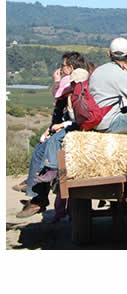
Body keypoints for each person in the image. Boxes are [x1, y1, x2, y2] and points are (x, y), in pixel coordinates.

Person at [15, 53, 89, 218]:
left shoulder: (79, 89)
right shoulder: (69, 90)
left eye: (63, 66)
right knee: (40, 147)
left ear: (70, 68)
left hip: (76, 129)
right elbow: (59, 104)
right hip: (68, 126)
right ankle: (34, 192)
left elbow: (74, 115)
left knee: (51, 142)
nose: (61, 68)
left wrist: (60, 125)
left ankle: (39, 191)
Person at [89, 38, 127, 133]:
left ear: (109, 53)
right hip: (109, 123)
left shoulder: (97, 70)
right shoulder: (120, 75)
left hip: (94, 120)